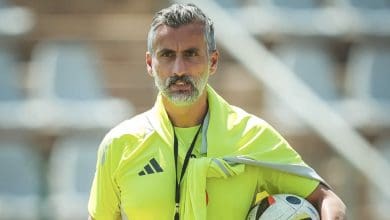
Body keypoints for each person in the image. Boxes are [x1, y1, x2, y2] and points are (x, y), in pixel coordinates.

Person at [88, 3, 346, 220]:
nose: (179, 69)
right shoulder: (119, 144)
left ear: (212, 62)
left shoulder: (251, 135)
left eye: (191, 54)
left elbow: (327, 200)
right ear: (149, 64)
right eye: (167, 55)